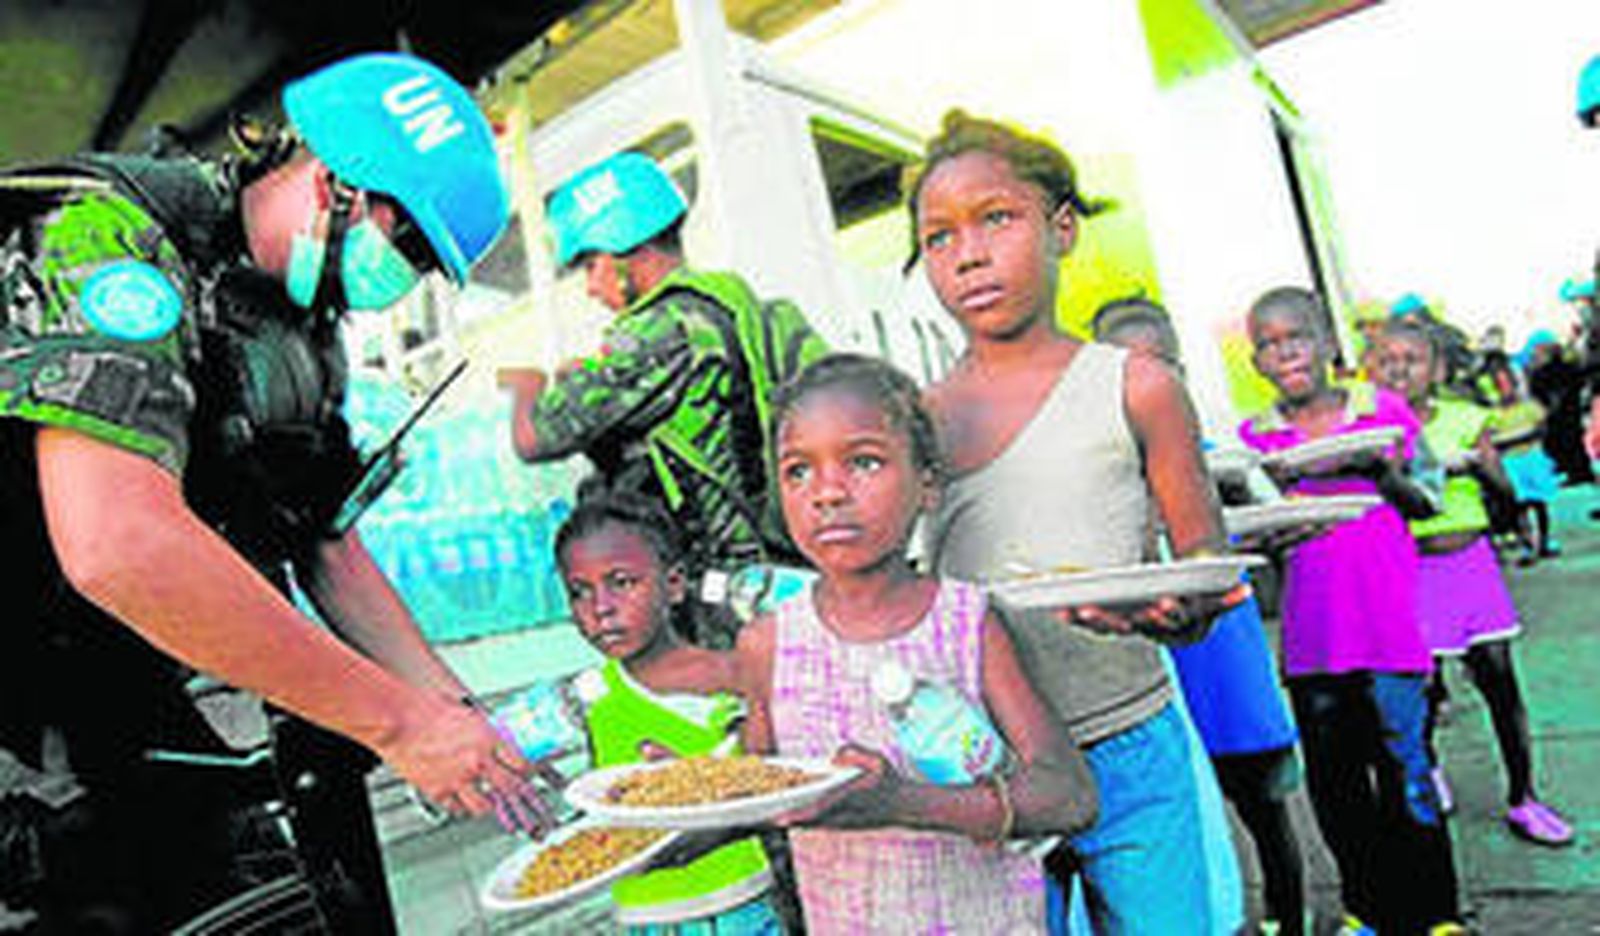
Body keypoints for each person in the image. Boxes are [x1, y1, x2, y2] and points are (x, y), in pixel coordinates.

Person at [0, 52, 550, 932]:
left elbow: (324, 541)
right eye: (404, 240)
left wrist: (461, 720)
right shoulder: (103, 236)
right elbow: (117, 544)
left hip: (116, 697)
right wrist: (401, 727)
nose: (399, 276)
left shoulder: (295, 322)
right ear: (334, 181)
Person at [909, 111, 1245, 935]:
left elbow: (1206, 560)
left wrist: (1179, 614)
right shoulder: (914, 419)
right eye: (940, 237)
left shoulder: (1137, 386)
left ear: (1062, 229)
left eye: (998, 219)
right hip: (984, 758)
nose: (971, 254)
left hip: (1128, 736)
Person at [734, 353, 1098, 933]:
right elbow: (757, 799)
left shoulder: (964, 621)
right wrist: (678, 799)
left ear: (928, 484)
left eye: (863, 462)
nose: (826, 493)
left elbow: (1069, 795)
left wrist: (902, 802)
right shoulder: (767, 644)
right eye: (798, 471)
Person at [501, 151, 827, 649]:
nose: (591, 286)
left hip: (718, 600)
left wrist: (526, 385)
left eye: (591, 263)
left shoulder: (657, 332)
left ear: (622, 245)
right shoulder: (731, 304)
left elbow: (534, 437)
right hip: (783, 566)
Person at [1239, 286, 1464, 935]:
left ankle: (1436, 914)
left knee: (1408, 777)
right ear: (1256, 361)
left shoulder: (1385, 413)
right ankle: (1368, 908)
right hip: (1312, 643)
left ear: (1329, 344)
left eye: (1297, 337)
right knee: (1337, 792)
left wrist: (1382, 473)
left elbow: (1428, 498)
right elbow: (1251, 537)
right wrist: (1266, 508)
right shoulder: (1258, 440)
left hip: (1390, 637)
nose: (1285, 353)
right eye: (1269, 344)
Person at [1092, 298, 1307, 936]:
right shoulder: (1100, 470)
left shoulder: (1217, 454)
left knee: (1265, 805)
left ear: (1180, 373)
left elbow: (1275, 516)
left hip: (1227, 656)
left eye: (1159, 366)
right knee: (1184, 813)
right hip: (1152, 668)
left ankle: (1288, 921)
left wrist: (1264, 528)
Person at [545, 485, 790, 933]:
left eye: (622, 582)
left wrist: (701, 784)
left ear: (673, 585)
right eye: (580, 592)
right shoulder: (588, 697)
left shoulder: (733, 677)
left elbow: (772, 782)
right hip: (645, 915)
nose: (601, 608)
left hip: (740, 907)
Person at [1372, 319, 1575, 847]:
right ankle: (1430, 771)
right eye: (1386, 359)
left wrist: (1482, 469)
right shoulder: (1371, 429)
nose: (1399, 368)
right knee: (1424, 687)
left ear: (1437, 369)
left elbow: (1506, 498)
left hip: (1469, 566)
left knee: (1500, 683)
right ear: (1372, 369)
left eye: (1411, 358)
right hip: (1408, 572)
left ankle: (1524, 797)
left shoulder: (1466, 418)